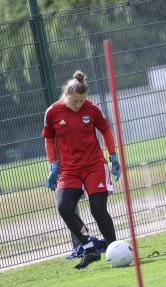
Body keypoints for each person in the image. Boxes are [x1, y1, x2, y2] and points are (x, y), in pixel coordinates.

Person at [42, 70, 121, 268]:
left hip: (94, 165)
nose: (79, 105)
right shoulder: (52, 112)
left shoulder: (92, 109)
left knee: (98, 208)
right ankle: (90, 249)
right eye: (76, 101)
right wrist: (54, 164)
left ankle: (115, 249)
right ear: (67, 95)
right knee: (64, 206)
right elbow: (49, 139)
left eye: (82, 101)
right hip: (69, 170)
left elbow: (106, 131)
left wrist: (113, 156)